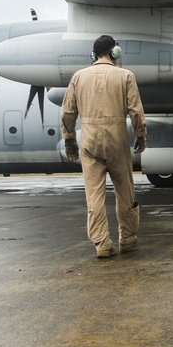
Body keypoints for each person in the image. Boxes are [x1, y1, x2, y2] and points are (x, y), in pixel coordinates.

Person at [61, 35, 147, 259]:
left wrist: (70, 140)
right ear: (115, 52)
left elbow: (68, 112)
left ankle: (102, 244)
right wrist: (141, 136)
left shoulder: (79, 77)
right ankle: (127, 240)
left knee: (94, 196)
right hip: (116, 139)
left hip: (89, 140)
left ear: (93, 54)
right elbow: (136, 111)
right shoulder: (125, 75)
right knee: (125, 193)